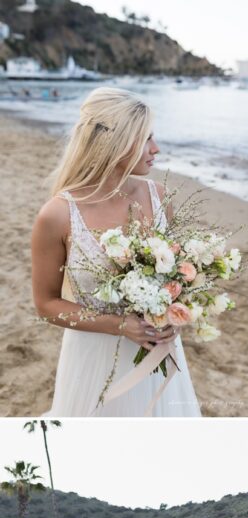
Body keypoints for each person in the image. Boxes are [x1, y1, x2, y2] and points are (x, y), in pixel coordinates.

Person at [31, 87, 201, 417]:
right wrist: (118, 325)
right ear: (115, 144)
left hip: (159, 353)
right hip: (93, 360)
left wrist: (175, 316)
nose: (156, 148)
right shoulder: (57, 215)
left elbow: (179, 276)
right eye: (145, 139)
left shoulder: (160, 197)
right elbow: (46, 304)